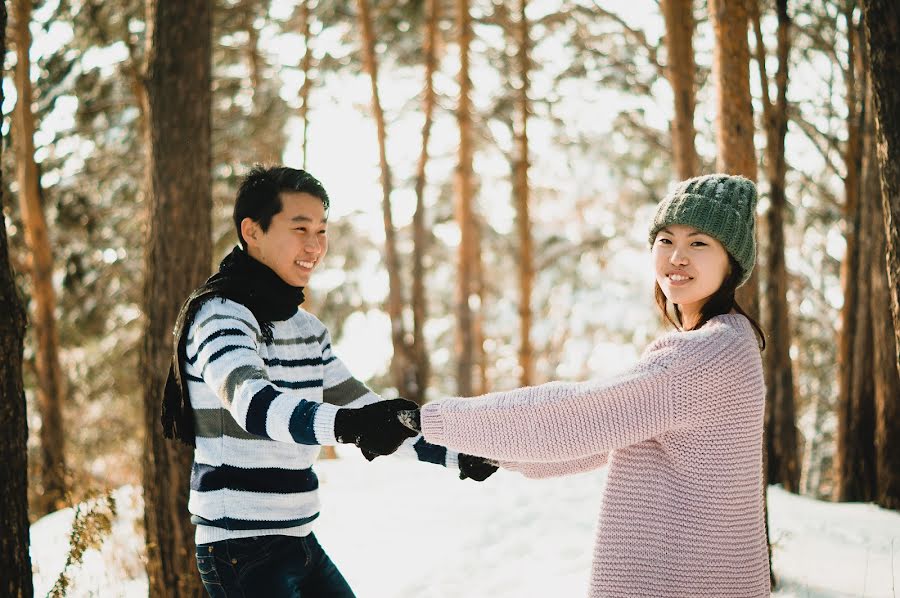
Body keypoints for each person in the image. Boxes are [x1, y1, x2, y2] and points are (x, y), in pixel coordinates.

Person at [409, 174, 771, 597]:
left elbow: (577, 414)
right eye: (665, 239)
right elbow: (605, 438)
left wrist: (425, 419)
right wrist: (494, 453)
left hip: (679, 582)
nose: (677, 256)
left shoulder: (704, 356)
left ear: (732, 262)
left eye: (699, 243)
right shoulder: (729, 341)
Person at [160, 165, 497, 597]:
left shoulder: (305, 329)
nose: (315, 245)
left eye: (321, 230)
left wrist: (457, 455)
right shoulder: (219, 316)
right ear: (253, 231)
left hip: (299, 538)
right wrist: (350, 427)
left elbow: (367, 410)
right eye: (300, 229)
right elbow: (253, 404)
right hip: (240, 550)